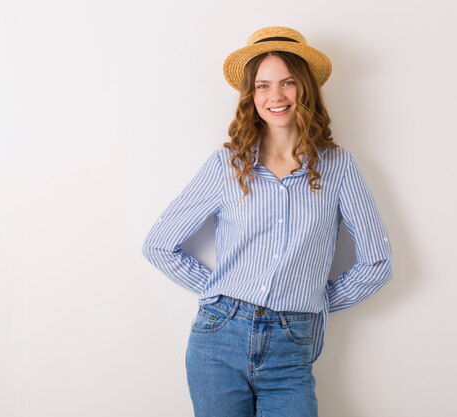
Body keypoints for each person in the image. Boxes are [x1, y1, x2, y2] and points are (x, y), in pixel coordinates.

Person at [142, 26, 393, 417]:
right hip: (217, 342)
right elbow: (159, 245)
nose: (275, 96)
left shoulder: (339, 167)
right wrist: (217, 294)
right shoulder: (227, 166)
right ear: (251, 96)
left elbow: (377, 263)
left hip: (291, 348)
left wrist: (315, 299)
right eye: (262, 86)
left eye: (287, 83)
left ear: (305, 89)